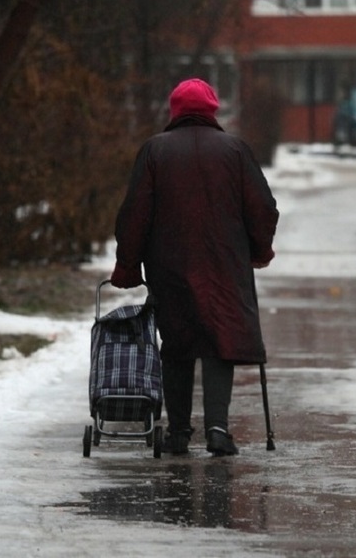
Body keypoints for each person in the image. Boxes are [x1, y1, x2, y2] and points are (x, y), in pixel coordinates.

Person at [110, 78, 279, 456]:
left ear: (175, 111)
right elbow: (263, 208)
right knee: (221, 341)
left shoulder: (155, 150)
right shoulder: (235, 150)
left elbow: (135, 213)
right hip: (225, 262)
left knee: (178, 342)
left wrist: (128, 265)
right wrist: (259, 249)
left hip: (170, 263)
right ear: (212, 110)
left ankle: (179, 432)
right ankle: (218, 428)